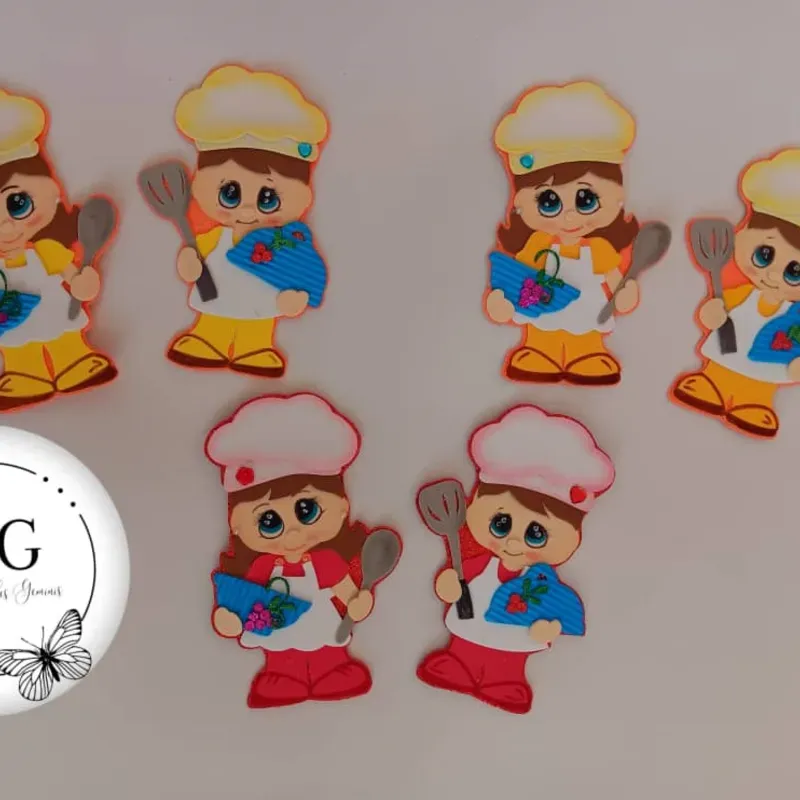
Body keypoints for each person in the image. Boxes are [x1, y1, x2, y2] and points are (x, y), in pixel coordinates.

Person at [417, 405, 614, 714]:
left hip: (514, 640)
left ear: (573, 536)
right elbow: (454, 580)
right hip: (467, 632)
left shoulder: (544, 583)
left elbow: (555, 613)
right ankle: (458, 664)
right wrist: (449, 585)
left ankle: (505, 682)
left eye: (536, 534)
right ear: (474, 503)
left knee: (506, 662)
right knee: (463, 647)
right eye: (501, 523)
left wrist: (547, 629)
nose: (512, 542)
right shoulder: (479, 563)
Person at [206, 393, 399, 708]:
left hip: (325, 631)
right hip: (279, 639)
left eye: (307, 510)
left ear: (342, 508)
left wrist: (358, 603)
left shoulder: (326, 561)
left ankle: (333, 670)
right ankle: (282, 676)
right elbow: (244, 601)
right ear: (236, 525)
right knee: (282, 657)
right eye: (269, 521)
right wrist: (230, 619)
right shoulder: (262, 569)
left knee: (328, 652)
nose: (293, 532)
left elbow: (349, 594)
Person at [487, 81, 654, 386]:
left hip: (588, 321)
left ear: (617, 196)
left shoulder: (600, 249)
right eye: (549, 201)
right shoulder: (537, 243)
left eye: (585, 199)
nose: (569, 216)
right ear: (520, 203)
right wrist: (502, 302)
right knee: (541, 339)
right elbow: (517, 279)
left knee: (587, 341)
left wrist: (624, 293)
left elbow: (616, 284)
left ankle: (587, 355)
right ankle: (540, 352)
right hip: (542, 323)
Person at [168, 65, 328, 378]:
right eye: (230, 194)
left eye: (268, 197)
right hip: (214, 303)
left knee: (257, 323)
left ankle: (255, 348)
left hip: (261, 309)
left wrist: (294, 298)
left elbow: (299, 275)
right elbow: (194, 260)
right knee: (214, 318)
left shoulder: (288, 244)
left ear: (304, 195)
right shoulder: (215, 237)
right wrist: (189, 263)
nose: (247, 210)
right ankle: (207, 338)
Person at [672, 149, 800, 438]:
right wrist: (712, 313)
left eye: (795, 271)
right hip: (723, 359)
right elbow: (712, 313)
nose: (772, 275)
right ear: (741, 237)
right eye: (765, 255)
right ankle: (710, 384)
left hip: (766, 371)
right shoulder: (742, 294)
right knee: (717, 372)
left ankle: (754, 404)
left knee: (760, 386)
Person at [0, 88, 115, 411]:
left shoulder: (46, 250)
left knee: (64, 334)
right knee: (18, 347)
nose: (6, 226)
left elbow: (72, 275)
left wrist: (81, 282)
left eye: (17, 203)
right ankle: (24, 375)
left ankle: (75, 361)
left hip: (56, 310)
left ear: (51, 192)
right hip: (11, 325)